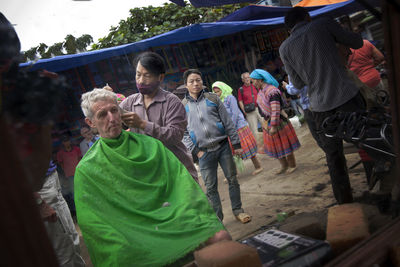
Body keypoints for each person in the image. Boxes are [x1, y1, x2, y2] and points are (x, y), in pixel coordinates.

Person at [76, 88, 230, 266]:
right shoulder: (87, 169)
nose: (112, 118)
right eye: (102, 114)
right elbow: (93, 223)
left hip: (172, 219)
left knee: (220, 236)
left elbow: (183, 186)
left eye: (114, 110)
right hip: (132, 235)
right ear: (91, 122)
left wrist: (186, 213)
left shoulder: (152, 146)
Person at [279, 7, 365, 204]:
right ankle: (381, 186)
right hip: (347, 96)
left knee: (334, 156)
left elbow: (298, 84)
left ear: (289, 28)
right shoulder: (323, 24)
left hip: (320, 107)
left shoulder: (285, 48)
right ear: (307, 17)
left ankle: (345, 202)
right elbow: (358, 42)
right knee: (366, 141)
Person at [182, 69, 251, 224]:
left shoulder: (213, 98)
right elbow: (184, 133)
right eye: (191, 81)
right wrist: (196, 151)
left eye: (198, 80)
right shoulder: (183, 106)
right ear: (186, 85)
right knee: (210, 188)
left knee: (232, 179)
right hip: (203, 153)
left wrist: (236, 144)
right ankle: (218, 219)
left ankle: (238, 210)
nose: (195, 83)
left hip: (223, 146)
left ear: (202, 81)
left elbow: (227, 122)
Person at [120, 51, 198, 181]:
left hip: (177, 170)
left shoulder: (172, 102)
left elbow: (175, 135)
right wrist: (109, 101)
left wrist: (142, 124)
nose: (141, 81)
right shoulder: (130, 102)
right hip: (151, 174)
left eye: (147, 76)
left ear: (160, 78)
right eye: (138, 75)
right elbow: (112, 117)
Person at [35, 161, 86, 266]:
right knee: (63, 253)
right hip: (40, 187)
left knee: (73, 240)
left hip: (52, 178)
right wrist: (39, 202)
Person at [250, 69, 300, 174]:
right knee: (276, 148)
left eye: (253, 80)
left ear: (260, 80)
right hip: (268, 123)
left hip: (279, 122)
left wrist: (273, 126)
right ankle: (284, 166)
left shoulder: (272, 91)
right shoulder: (261, 92)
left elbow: (275, 110)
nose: (252, 83)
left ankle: (292, 165)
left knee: (286, 146)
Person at [212, 81, 263, 176]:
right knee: (233, 152)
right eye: (215, 92)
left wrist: (232, 127)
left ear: (223, 89)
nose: (217, 94)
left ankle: (258, 166)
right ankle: (233, 173)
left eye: (218, 91)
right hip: (229, 129)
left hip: (239, 127)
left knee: (247, 148)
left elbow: (235, 113)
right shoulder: (218, 102)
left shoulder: (230, 98)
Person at [282, 78, 323, 149]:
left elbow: (294, 90)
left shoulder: (294, 70)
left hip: (310, 107)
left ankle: (331, 155)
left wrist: (286, 86)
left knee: (319, 135)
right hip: (322, 103)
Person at [57, 135, 81, 216]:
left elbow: (80, 159)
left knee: (82, 190)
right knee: (74, 194)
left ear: (70, 141)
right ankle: (78, 212)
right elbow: (61, 164)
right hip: (69, 176)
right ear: (63, 143)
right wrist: (65, 174)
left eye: (68, 141)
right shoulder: (60, 153)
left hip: (79, 173)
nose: (67, 143)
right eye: (65, 141)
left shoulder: (76, 149)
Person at [237, 72, 264, 138]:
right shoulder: (241, 89)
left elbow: (262, 94)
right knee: (254, 131)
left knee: (265, 126)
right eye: (245, 78)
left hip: (259, 108)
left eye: (248, 77)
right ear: (242, 80)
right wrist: (244, 111)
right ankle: (259, 145)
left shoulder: (255, 85)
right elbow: (240, 101)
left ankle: (270, 141)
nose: (247, 79)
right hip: (249, 112)